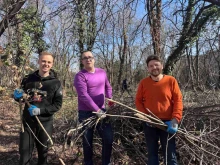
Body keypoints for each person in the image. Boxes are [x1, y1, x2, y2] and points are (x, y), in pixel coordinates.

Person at [13, 51, 63, 165]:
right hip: (27, 123)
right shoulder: (28, 79)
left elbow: (57, 105)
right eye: (43, 61)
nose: (46, 64)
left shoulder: (56, 83)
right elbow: (21, 97)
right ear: (38, 61)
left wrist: (40, 110)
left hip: (45, 123)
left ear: (52, 64)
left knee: (43, 155)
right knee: (24, 155)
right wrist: (17, 96)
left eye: (49, 62)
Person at [135, 55, 183, 165]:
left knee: (170, 154)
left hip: (168, 123)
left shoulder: (171, 81)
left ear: (162, 66)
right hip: (150, 123)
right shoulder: (144, 83)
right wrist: (145, 117)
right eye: (151, 66)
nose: (154, 67)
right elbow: (138, 101)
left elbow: (178, 100)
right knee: (152, 154)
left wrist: (175, 119)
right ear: (148, 68)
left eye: (156, 65)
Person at [74, 50, 114, 165]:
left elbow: (108, 87)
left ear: (94, 59)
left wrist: (110, 99)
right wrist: (97, 110)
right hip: (86, 113)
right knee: (87, 142)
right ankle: (88, 163)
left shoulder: (102, 72)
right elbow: (83, 95)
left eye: (90, 57)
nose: (88, 59)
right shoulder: (80, 76)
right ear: (82, 61)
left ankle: (106, 162)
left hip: (102, 111)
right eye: (85, 58)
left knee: (108, 138)